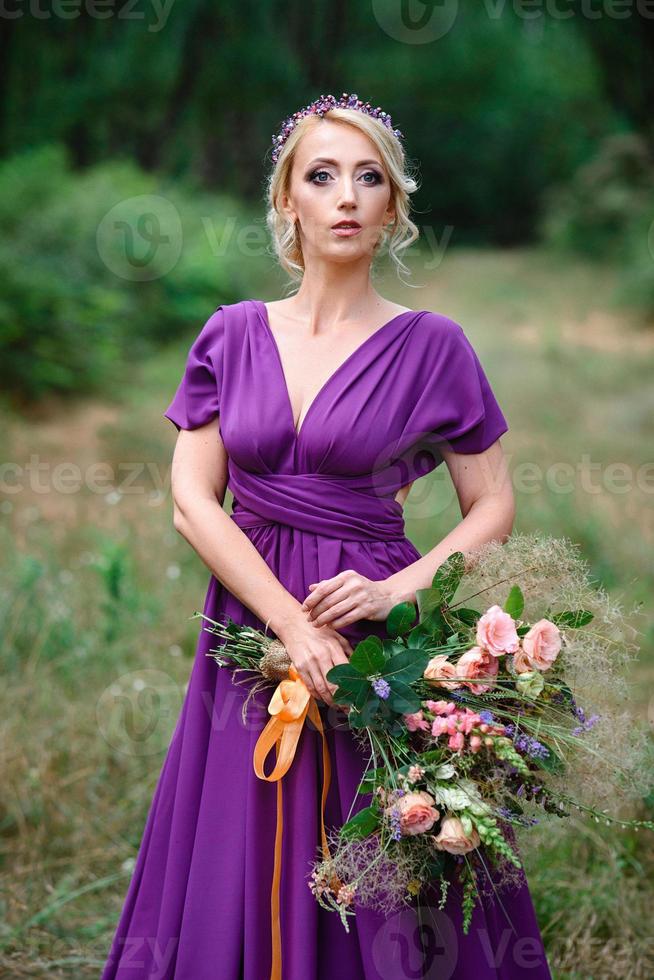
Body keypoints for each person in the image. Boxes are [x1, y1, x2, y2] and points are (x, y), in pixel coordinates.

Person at [101, 93, 552, 979]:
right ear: (287, 203)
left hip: (374, 634)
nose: (344, 196)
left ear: (391, 209)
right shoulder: (231, 334)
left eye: (367, 178)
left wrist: (396, 591)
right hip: (254, 619)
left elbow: (492, 504)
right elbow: (194, 497)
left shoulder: (434, 347)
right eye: (321, 176)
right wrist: (289, 625)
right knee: (237, 828)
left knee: (389, 850)